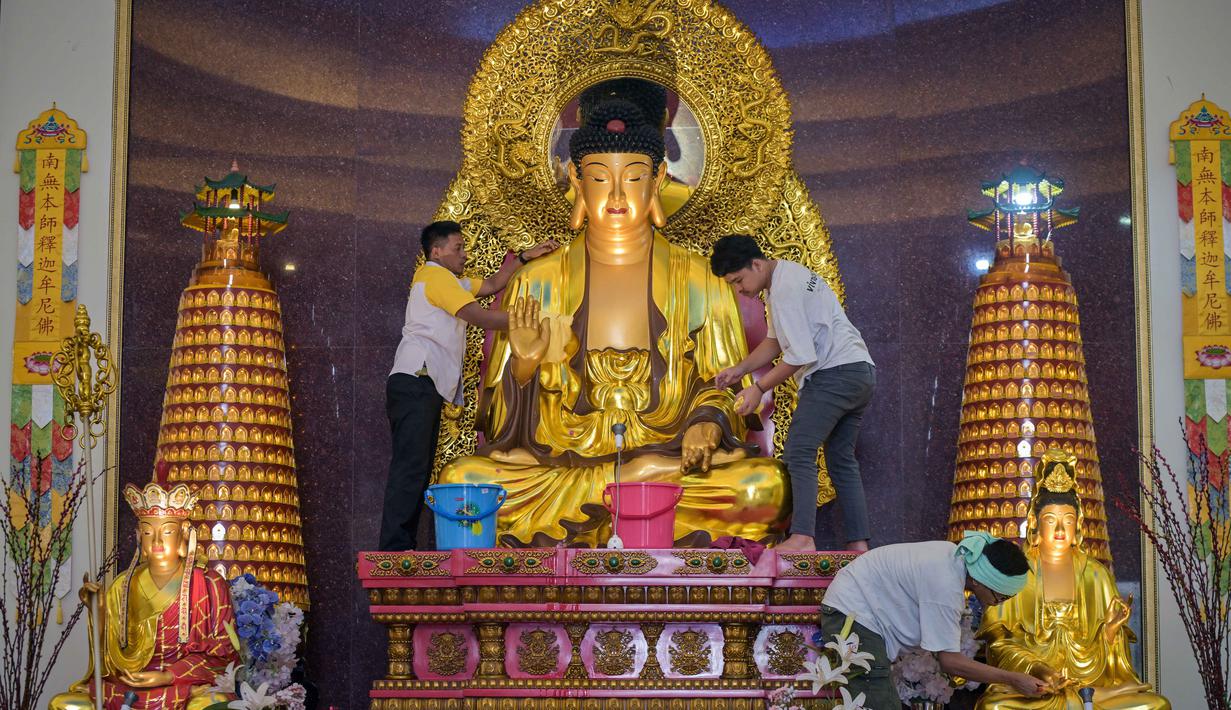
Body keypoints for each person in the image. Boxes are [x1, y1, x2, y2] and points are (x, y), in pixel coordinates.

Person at [437, 99, 791, 546]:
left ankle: (634, 489)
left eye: (636, 178)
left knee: (763, 486)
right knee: (464, 480)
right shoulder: (535, 280)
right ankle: (633, 491)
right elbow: (498, 425)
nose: (619, 197)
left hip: (670, 463)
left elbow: (726, 385)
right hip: (564, 468)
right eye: (601, 179)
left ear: (659, 180)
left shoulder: (703, 278)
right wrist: (524, 367)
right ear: (577, 180)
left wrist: (707, 423)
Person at [378, 220, 557, 551]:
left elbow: (490, 285)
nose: (464, 254)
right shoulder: (435, 277)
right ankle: (394, 547)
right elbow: (480, 317)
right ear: (437, 251)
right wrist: (534, 321)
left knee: (417, 468)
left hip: (424, 387)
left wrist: (525, 258)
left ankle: (401, 543)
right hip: (416, 381)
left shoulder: (448, 281)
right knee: (411, 468)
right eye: (458, 248)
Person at [709, 234, 875, 551]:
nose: (739, 290)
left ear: (756, 264)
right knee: (841, 461)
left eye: (738, 280)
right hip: (860, 371)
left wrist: (758, 389)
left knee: (799, 450)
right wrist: (740, 369)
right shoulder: (786, 277)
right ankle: (859, 545)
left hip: (834, 374)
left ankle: (802, 537)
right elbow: (775, 342)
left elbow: (801, 356)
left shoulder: (783, 289)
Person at [975, 450, 1169, 709]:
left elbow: (1114, 664)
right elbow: (999, 644)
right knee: (994, 708)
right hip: (1033, 690)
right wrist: (1038, 668)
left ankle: (1083, 698)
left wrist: (1110, 631)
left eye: (1067, 521)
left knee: (1154, 705)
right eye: (1050, 520)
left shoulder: (1095, 574)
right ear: (1034, 521)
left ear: (1078, 524)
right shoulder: (1018, 572)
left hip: (1090, 683)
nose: (1059, 530)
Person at [49, 483, 237, 710]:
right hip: (126, 688)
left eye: (167, 532)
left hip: (184, 688)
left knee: (214, 703)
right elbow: (109, 663)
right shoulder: (122, 586)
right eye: (148, 532)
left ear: (184, 534)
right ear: (139, 536)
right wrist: (98, 612)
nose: (157, 541)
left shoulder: (210, 586)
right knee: (63, 704)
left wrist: (168, 676)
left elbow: (222, 655)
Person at [820, 531, 1050, 709]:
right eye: (1001, 596)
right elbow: (949, 661)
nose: (1001, 603)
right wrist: (1011, 678)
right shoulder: (946, 585)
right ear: (980, 580)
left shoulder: (953, 559)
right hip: (852, 615)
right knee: (879, 703)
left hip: (859, 615)